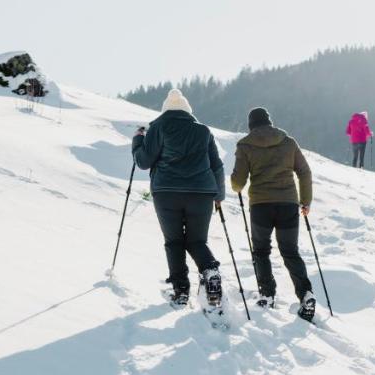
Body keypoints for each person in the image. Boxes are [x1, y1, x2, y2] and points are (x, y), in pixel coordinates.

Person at [132, 88, 226, 308]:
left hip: (167, 193)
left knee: (174, 241)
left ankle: (181, 291)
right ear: (187, 110)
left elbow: (144, 161)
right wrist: (219, 195)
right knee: (197, 241)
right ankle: (210, 272)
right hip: (201, 194)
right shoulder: (203, 131)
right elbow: (217, 166)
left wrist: (137, 142)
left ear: (166, 110)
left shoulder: (158, 127)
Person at [231, 107, 316, 321]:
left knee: (261, 251)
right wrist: (305, 201)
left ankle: (267, 295)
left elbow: (238, 183)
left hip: (261, 205)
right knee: (290, 251)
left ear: (251, 125)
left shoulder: (245, 145)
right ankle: (305, 294)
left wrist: (235, 182)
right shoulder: (288, 142)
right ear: (270, 122)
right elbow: (304, 172)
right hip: (288, 203)